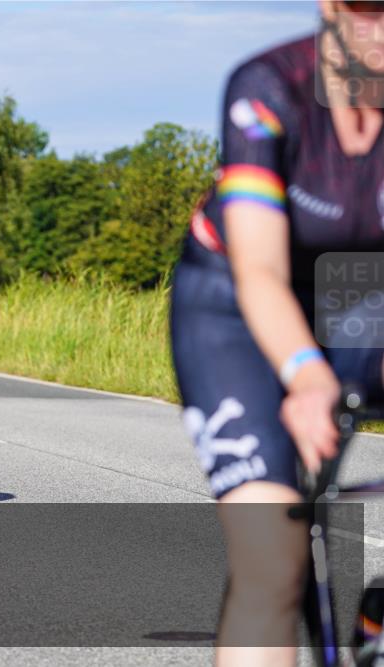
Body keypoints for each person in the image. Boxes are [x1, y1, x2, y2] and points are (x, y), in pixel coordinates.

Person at [170, 2, 383, 665]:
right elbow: (259, 267)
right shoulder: (267, 87)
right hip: (233, 300)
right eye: (369, 7)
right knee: (273, 557)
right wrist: (307, 373)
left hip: (359, 297)